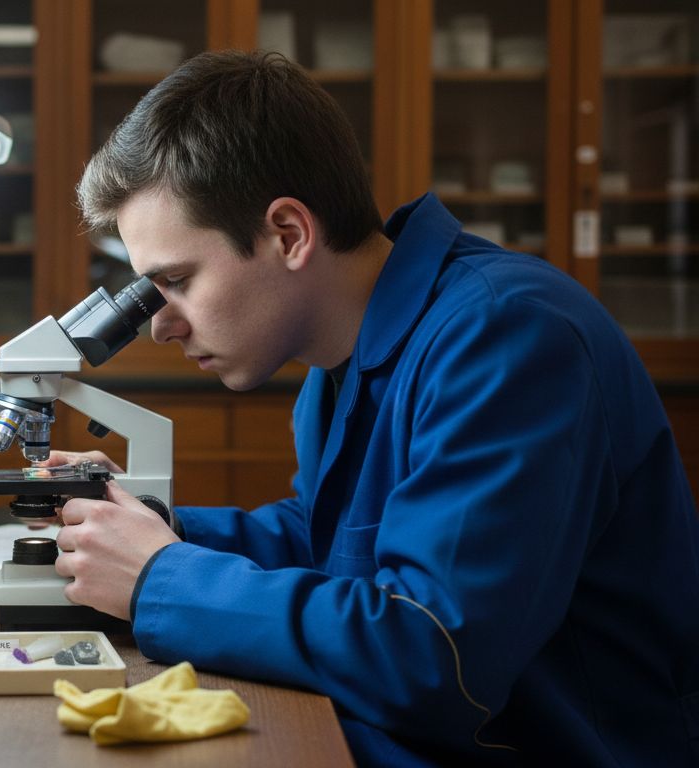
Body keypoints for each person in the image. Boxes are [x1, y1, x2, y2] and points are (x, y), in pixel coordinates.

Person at [45, 50, 699, 766]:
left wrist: (160, 578)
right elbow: (330, 542)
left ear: (289, 234)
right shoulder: (345, 359)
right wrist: (148, 529)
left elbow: (433, 655)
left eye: (175, 281)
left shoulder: (507, 337)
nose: (162, 326)